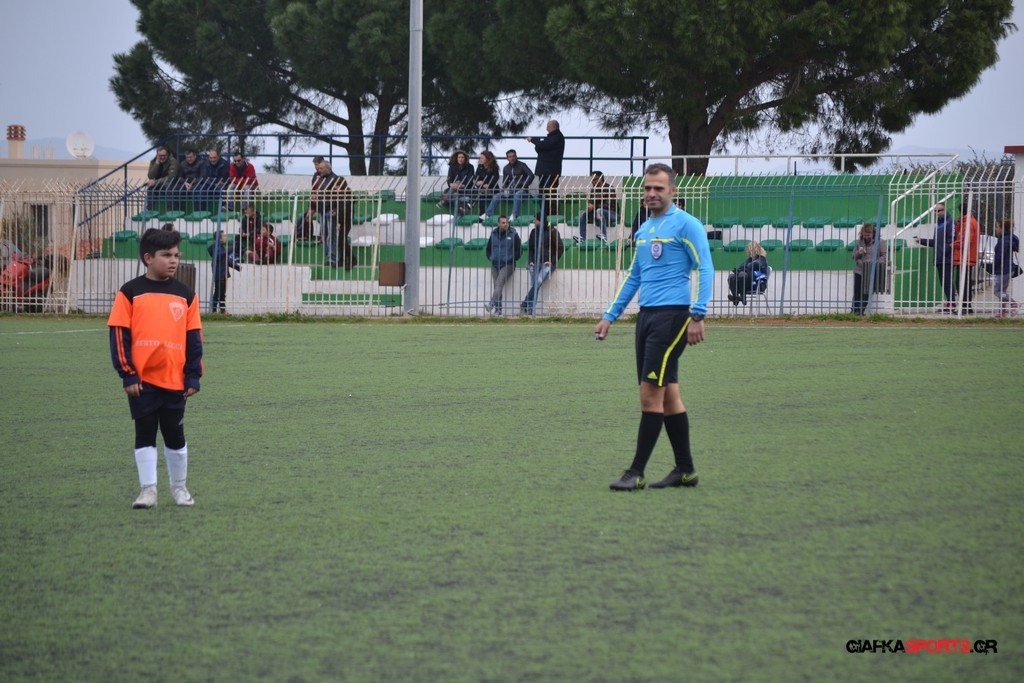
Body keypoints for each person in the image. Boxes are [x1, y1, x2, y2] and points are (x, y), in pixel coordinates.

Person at [594, 163, 714, 492]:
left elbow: (706, 267)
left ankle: (636, 472)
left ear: (672, 191)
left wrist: (698, 314)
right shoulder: (644, 230)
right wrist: (610, 315)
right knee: (669, 394)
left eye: (659, 188)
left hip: (672, 318)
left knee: (650, 395)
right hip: (646, 318)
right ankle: (685, 470)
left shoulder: (687, 225)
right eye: (647, 188)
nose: (651, 193)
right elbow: (634, 276)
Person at [107, 227, 202, 508]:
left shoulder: (186, 295)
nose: (173, 261)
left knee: (175, 435)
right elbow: (119, 335)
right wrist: (128, 374)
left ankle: (179, 488)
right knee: (145, 433)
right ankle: (148, 490)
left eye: (176, 255)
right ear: (148, 258)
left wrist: (193, 375)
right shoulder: (130, 292)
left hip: (175, 380)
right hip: (142, 382)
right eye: (166, 255)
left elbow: (194, 338)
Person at [313, 159, 356, 269]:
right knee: (336, 239)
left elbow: (344, 209)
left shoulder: (345, 194)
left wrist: (338, 220)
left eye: (321, 168)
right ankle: (342, 259)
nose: (335, 189)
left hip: (343, 219)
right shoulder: (323, 180)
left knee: (339, 239)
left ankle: (351, 260)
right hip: (334, 216)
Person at [521, 214, 565, 315]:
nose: (534, 222)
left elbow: (560, 248)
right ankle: (529, 309)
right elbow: (531, 248)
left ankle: (525, 303)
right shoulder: (533, 232)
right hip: (535, 263)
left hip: (548, 264)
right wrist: (530, 261)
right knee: (535, 285)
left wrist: (552, 260)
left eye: (535, 220)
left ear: (540, 221)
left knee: (538, 282)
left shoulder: (552, 232)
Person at [915, 202, 955, 312]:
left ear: (945, 210)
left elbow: (951, 240)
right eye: (935, 211)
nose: (937, 213)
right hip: (939, 257)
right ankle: (950, 303)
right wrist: (921, 240)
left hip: (946, 258)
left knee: (947, 282)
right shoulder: (939, 224)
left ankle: (952, 304)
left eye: (939, 210)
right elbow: (936, 242)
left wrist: (945, 251)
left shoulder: (950, 222)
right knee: (944, 282)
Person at [479, 150, 534, 223]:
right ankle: (487, 214)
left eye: (513, 156)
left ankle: (514, 215)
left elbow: (531, 175)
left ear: (516, 156)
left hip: (523, 191)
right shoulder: (506, 168)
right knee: (497, 196)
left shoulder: (522, 165)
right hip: (511, 191)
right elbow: (505, 182)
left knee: (518, 194)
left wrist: (524, 186)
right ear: (507, 158)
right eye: (510, 157)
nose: (512, 158)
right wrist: (505, 189)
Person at [527, 120, 564, 219]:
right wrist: (539, 144)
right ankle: (544, 213)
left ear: (553, 127)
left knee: (550, 194)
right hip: (543, 171)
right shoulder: (550, 137)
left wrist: (534, 140)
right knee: (542, 194)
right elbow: (540, 148)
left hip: (551, 171)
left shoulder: (557, 137)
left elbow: (544, 145)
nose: (546, 128)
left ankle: (551, 215)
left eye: (548, 126)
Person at [485, 216, 522, 315]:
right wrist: (491, 257)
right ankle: (498, 310)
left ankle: (491, 304)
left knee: (499, 283)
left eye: (507, 223)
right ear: (498, 224)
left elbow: (519, 250)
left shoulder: (513, 234)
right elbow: (488, 248)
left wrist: (511, 258)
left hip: (508, 264)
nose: (505, 224)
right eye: (503, 223)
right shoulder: (493, 234)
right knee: (497, 286)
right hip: (495, 264)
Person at [850, 223, 887, 315]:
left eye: (868, 235)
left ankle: (861, 311)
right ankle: (854, 311)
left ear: (873, 233)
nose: (866, 237)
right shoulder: (859, 242)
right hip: (859, 270)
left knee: (866, 292)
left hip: (872, 271)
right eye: (865, 235)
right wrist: (859, 253)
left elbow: (884, 256)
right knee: (857, 292)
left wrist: (873, 263)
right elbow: (853, 256)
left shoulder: (880, 242)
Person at [951, 202, 980, 314]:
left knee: (961, 283)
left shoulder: (968, 223)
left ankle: (965, 306)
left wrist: (953, 245)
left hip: (964, 257)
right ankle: (966, 306)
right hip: (966, 257)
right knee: (964, 283)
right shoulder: (968, 221)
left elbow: (965, 240)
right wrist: (959, 223)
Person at [575, 170, 619, 243]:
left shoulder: (609, 188)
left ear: (600, 179)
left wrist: (594, 206)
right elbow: (591, 202)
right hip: (598, 214)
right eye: (592, 180)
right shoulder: (593, 190)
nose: (592, 182)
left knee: (599, 211)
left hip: (612, 214)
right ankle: (582, 237)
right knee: (583, 214)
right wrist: (589, 208)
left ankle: (603, 236)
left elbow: (608, 206)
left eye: (594, 180)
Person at [991, 219, 1019, 317]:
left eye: (997, 227)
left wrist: (994, 266)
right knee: (1002, 291)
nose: (996, 229)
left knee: (997, 291)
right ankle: (1002, 311)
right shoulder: (1009, 238)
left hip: (1003, 269)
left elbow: (1000, 256)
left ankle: (1013, 303)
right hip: (1007, 268)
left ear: (1002, 228)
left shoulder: (1004, 241)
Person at [207, 229, 239, 314]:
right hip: (219, 273)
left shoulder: (221, 247)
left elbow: (225, 260)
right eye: (224, 236)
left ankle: (222, 310)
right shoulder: (216, 247)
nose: (226, 237)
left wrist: (236, 267)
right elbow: (219, 256)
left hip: (223, 273)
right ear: (219, 238)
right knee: (218, 292)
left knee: (222, 293)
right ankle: (214, 310)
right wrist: (230, 249)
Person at [727, 240, 769, 305]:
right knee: (731, 276)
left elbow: (754, 265)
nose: (752, 251)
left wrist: (745, 268)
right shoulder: (749, 259)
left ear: (758, 249)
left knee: (742, 274)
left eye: (753, 249)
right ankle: (736, 297)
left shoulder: (762, 259)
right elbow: (741, 267)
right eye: (750, 249)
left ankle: (742, 297)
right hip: (746, 283)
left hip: (757, 284)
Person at [470, 151, 501, 216]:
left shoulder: (494, 168)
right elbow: (476, 177)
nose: (480, 159)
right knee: (480, 195)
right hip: (481, 189)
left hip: (492, 189)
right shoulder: (479, 167)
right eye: (480, 158)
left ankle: (471, 205)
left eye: (482, 158)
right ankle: (481, 214)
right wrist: (476, 182)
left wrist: (485, 183)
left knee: (481, 193)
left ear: (487, 159)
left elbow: (495, 179)